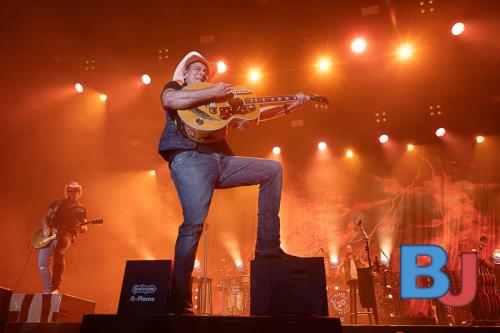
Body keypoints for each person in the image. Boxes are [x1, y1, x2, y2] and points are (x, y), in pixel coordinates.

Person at [159, 51, 310, 314]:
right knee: (193, 225)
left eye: (205, 71)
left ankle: (267, 248)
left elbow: (253, 116)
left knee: (272, 169)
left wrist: (288, 107)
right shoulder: (175, 88)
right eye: (196, 69)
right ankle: (178, 300)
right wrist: (213, 92)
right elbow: (171, 100)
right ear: (184, 74)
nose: (203, 73)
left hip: (221, 159)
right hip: (189, 157)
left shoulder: (219, 101)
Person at [38, 181, 88, 294]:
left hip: (68, 234)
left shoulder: (82, 209)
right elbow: (45, 217)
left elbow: (84, 225)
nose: (72, 193)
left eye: (75, 190)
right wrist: (46, 227)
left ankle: (56, 287)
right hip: (51, 233)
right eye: (70, 190)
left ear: (79, 192)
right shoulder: (57, 203)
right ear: (67, 191)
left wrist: (83, 229)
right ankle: (48, 289)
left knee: (59, 253)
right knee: (42, 262)